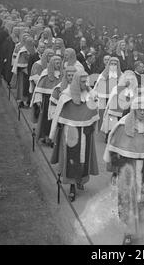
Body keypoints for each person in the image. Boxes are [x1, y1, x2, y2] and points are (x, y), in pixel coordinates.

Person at [103, 96, 144, 245]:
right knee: (127, 202)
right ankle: (129, 233)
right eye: (140, 110)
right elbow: (115, 148)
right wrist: (118, 167)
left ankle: (141, 232)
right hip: (128, 169)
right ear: (134, 110)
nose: (143, 112)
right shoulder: (123, 125)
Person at [49, 70, 100, 202]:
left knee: (84, 157)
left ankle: (80, 180)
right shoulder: (66, 95)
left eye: (86, 81)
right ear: (77, 81)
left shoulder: (89, 94)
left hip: (86, 131)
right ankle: (72, 185)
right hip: (71, 133)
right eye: (82, 81)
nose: (85, 84)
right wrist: (54, 132)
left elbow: (95, 110)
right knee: (72, 158)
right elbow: (58, 115)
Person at [30, 56, 62, 144]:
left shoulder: (62, 74)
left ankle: (53, 138)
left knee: (55, 120)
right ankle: (45, 137)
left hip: (57, 101)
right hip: (47, 101)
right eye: (57, 63)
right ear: (52, 63)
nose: (59, 65)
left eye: (60, 63)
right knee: (46, 120)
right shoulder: (45, 73)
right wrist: (38, 100)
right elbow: (39, 88)